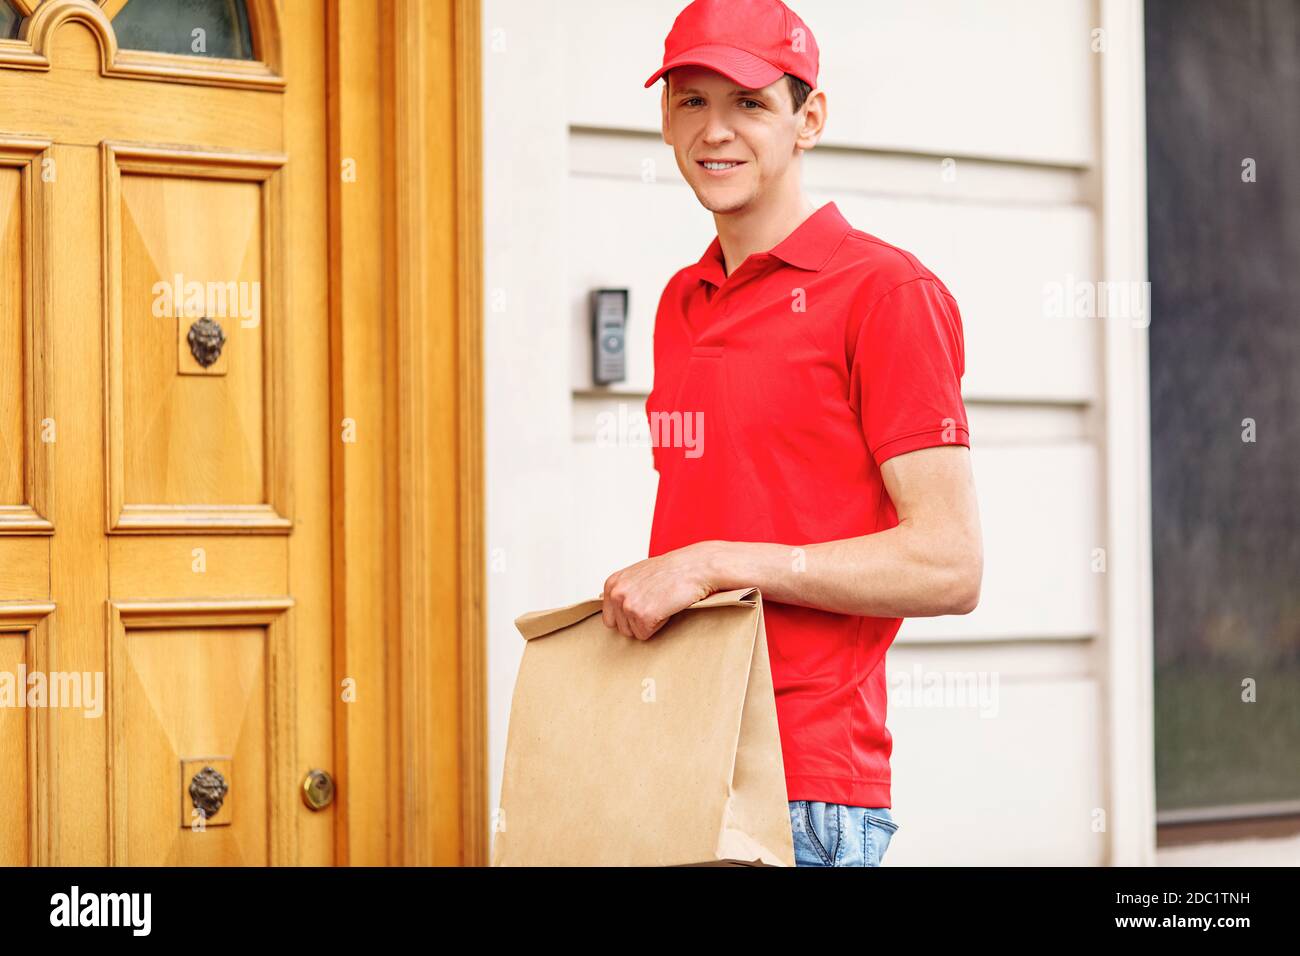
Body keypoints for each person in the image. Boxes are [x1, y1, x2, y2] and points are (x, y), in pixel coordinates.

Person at [600, 0, 983, 867]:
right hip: (673, 758)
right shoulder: (680, 301)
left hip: (801, 789)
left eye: (749, 103)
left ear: (809, 119)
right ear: (664, 119)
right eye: (691, 101)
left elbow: (951, 565)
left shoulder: (886, 294)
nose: (716, 132)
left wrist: (712, 561)